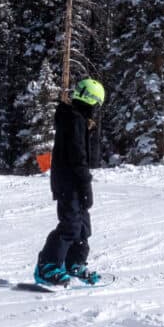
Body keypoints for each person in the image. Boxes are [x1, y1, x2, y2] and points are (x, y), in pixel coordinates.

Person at [34, 77, 106, 287]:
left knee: (83, 227)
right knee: (70, 225)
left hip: (72, 181)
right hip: (69, 182)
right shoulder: (74, 120)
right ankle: (47, 266)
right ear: (92, 101)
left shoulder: (77, 119)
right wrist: (85, 183)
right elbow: (78, 157)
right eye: (96, 105)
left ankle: (73, 263)